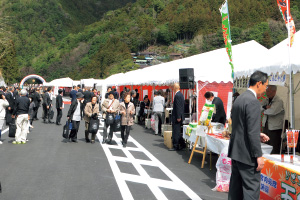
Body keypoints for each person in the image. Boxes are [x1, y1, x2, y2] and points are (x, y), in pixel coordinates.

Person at [228, 71, 270, 200]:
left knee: (236, 190)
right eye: (266, 86)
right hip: (247, 155)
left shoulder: (240, 98)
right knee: (251, 190)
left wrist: (257, 133)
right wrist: (258, 155)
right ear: (259, 84)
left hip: (236, 152)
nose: (265, 89)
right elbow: (251, 131)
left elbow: (240, 125)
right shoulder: (253, 102)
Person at [261, 85, 285, 154]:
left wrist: (264, 110)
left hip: (275, 128)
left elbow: (272, 112)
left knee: (273, 147)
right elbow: (258, 108)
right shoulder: (266, 100)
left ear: (274, 91)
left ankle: (274, 163)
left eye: (268, 91)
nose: (267, 93)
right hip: (266, 126)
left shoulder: (279, 101)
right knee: (265, 145)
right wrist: (265, 107)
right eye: (266, 91)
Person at [169, 83, 186, 151]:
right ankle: (182, 144)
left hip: (177, 116)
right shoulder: (180, 94)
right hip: (178, 115)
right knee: (177, 131)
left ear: (175, 88)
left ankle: (176, 145)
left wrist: (178, 116)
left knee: (176, 131)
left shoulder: (178, 95)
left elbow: (179, 107)